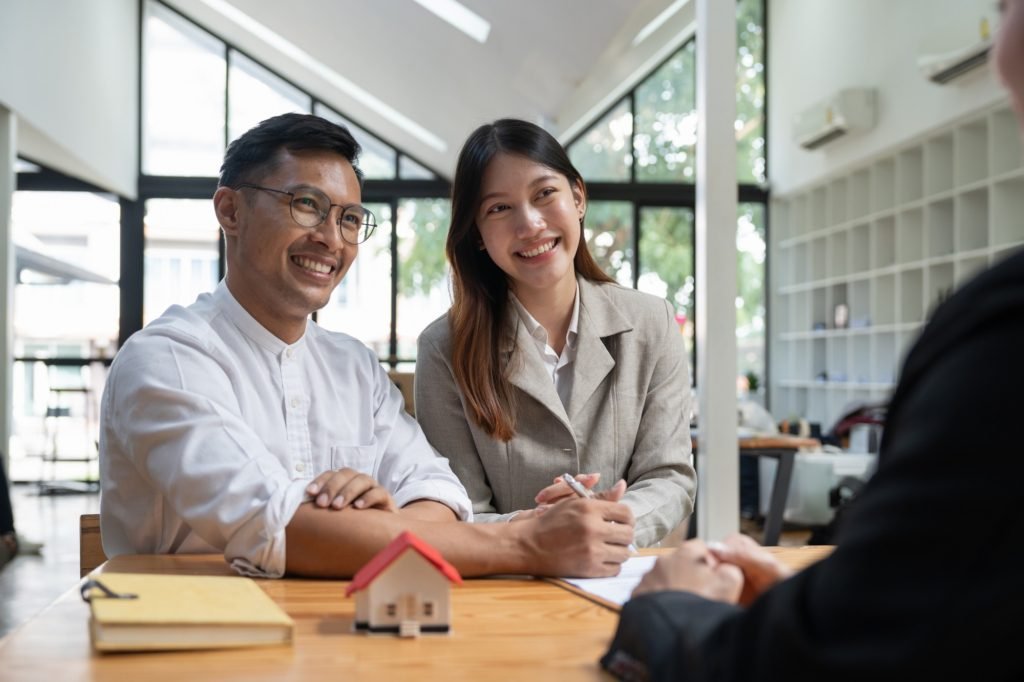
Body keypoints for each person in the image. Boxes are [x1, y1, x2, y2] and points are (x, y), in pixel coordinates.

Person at [601, 1, 1024, 679]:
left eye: (1004, 7)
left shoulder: (1000, 333)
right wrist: (827, 597)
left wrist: (669, 608)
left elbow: (843, 653)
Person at [100, 113, 635, 580]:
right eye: (306, 205)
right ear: (230, 212)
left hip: (345, 640)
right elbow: (280, 528)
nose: (331, 239)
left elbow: (441, 496)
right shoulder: (167, 360)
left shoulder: (352, 366)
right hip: (187, 649)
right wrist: (525, 543)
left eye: (349, 219)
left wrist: (375, 529)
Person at [415, 119, 696, 547]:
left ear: (578, 197)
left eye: (545, 194)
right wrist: (538, 531)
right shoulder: (443, 348)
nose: (529, 224)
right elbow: (456, 506)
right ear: (476, 234)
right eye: (499, 208)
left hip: (619, 579)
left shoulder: (651, 322)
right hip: (506, 591)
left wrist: (609, 524)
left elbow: (669, 476)